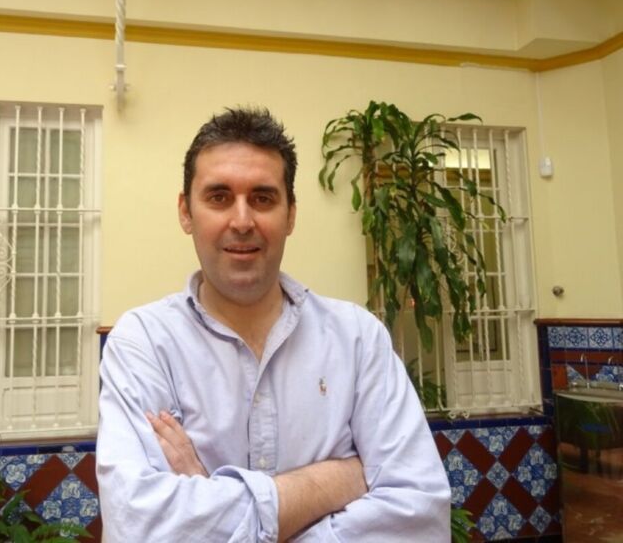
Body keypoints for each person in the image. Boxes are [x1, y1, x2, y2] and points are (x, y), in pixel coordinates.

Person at [96, 107, 451, 542]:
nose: (242, 221)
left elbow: (420, 519)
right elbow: (141, 529)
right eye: (219, 197)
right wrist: (331, 482)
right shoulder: (144, 343)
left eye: (262, 198)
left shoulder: (358, 340)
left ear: (291, 214)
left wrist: (209, 500)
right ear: (186, 212)